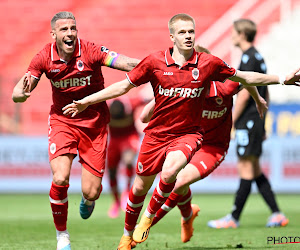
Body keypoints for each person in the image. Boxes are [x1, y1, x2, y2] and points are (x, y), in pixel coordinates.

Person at [61, 14, 300, 250]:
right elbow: (127, 89)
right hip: (157, 137)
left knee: (173, 175)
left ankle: (148, 219)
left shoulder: (211, 69)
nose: (188, 36)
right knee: (140, 189)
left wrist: (279, 81)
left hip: (197, 140)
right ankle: (153, 227)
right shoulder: (157, 64)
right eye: (183, 32)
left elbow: (245, 77)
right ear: (172, 37)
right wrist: (86, 101)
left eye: (191, 32)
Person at [11, 11, 140, 250]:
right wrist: (20, 94)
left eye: (73, 28)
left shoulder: (90, 50)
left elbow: (124, 62)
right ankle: (63, 237)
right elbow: (19, 90)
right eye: (64, 29)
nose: (70, 33)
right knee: (60, 177)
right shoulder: (44, 57)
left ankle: (88, 199)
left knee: (91, 193)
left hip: (95, 125)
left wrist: (152, 67)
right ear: (54, 35)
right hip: (63, 122)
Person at [138, 45, 268, 244]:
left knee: (179, 181)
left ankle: (145, 227)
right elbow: (143, 117)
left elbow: (245, 80)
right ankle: (188, 216)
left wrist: (257, 98)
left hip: (213, 147)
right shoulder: (182, 87)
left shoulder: (225, 87)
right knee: (174, 179)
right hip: (186, 140)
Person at [207, 19, 289, 229]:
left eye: (234, 32)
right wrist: (264, 119)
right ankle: (277, 214)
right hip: (256, 120)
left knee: (246, 168)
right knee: (254, 168)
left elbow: (243, 94)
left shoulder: (247, 58)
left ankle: (233, 217)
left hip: (248, 121)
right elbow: (266, 89)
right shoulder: (257, 56)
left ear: (242, 34)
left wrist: (230, 122)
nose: (231, 36)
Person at [106, 95, 143, 218]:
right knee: (111, 172)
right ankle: (116, 202)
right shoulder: (105, 107)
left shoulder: (132, 103)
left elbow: (149, 99)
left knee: (128, 160)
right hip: (114, 140)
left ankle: (126, 192)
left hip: (129, 137)